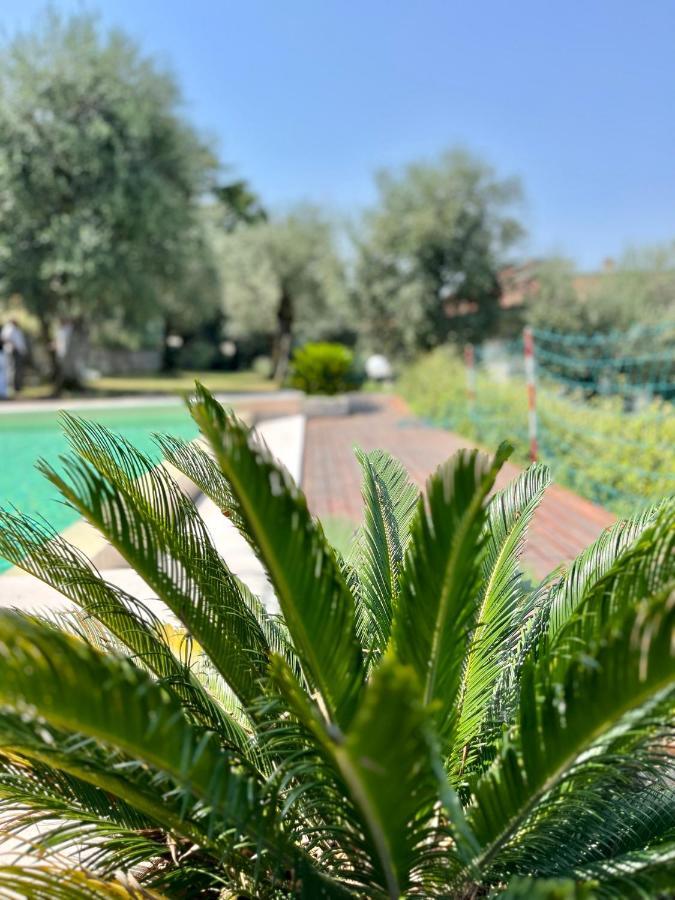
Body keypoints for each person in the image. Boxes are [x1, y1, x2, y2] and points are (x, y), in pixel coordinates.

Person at [1, 318, 28, 393]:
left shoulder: (16, 329)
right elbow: (5, 338)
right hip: (13, 351)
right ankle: (13, 387)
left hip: (18, 351)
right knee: (13, 369)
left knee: (17, 369)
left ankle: (17, 387)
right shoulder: (9, 328)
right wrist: (13, 346)